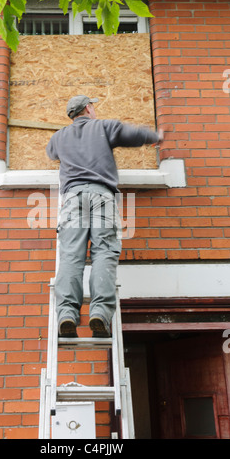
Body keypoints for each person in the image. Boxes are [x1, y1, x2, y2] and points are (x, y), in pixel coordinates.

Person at [46, 95, 163, 338]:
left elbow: (51, 152)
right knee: (103, 253)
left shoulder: (59, 137)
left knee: (70, 257)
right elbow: (130, 134)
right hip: (102, 197)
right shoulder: (104, 127)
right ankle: (99, 312)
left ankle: (67, 313)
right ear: (89, 108)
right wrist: (155, 136)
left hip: (72, 200)